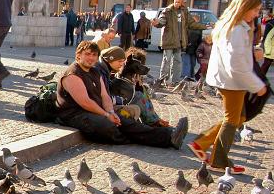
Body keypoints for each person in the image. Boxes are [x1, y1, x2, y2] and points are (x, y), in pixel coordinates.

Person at [56, 40, 189, 148]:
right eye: (88, 54)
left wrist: (111, 112)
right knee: (108, 126)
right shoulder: (72, 74)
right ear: (78, 55)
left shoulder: (94, 71)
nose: (91, 58)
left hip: (95, 111)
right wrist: (106, 114)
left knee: (125, 122)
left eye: (94, 55)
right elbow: (85, 102)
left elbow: (104, 96)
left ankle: (169, 136)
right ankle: (133, 139)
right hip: (75, 114)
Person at [189, 0, 266, 173]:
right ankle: (215, 156)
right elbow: (236, 64)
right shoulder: (237, 29)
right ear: (244, 7)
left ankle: (207, 147)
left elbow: (235, 57)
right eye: (255, 10)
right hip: (233, 81)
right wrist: (257, 85)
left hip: (228, 79)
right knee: (233, 120)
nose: (256, 14)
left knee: (237, 118)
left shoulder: (230, 26)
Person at [151, 0, 205, 85]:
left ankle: (175, 81)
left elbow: (191, 23)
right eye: (178, 1)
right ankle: (163, 80)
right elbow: (162, 20)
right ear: (175, 0)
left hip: (179, 42)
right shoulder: (167, 11)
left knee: (178, 61)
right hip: (169, 41)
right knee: (166, 61)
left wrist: (204, 26)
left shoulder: (184, 11)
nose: (180, 4)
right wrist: (157, 22)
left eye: (181, 2)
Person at [124, 47, 170, 127]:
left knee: (144, 92)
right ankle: (152, 121)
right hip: (126, 98)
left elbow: (139, 88)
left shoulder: (136, 74)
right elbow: (131, 89)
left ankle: (155, 118)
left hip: (131, 95)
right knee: (140, 95)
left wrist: (140, 84)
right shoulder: (126, 72)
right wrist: (137, 84)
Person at [181, 14, 203, 79]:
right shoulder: (186, 27)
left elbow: (199, 39)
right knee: (187, 63)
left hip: (194, 48)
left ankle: (191, 75)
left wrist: (200, 48)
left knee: (193, 63)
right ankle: (186, 76)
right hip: (186, 48)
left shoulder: (199, 29)